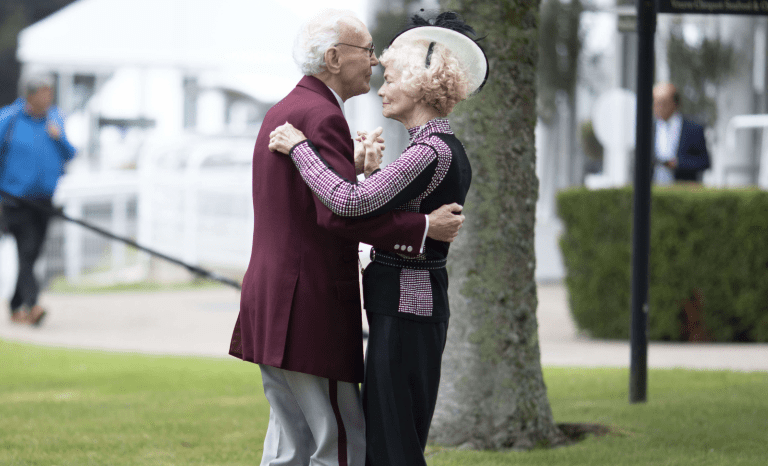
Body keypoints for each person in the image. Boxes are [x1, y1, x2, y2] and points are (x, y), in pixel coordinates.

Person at [227, 9, 465, 466]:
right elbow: (340, 211)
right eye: (369, 52)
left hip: (271, 298)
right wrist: (421, 227)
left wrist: (353, 166)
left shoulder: (286, 109)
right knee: (339, 442)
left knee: (288, 441)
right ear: (334, 58)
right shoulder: (321, 117)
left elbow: (311, 196)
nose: (376, 65)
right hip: (308, 302)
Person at [0, 74, 76, 326]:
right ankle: (33, 305)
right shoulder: (10, 119)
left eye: (50, 92)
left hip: (44, 199)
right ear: (30, 95)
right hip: (15, 200)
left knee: (32, 254)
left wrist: (58, 137)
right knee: (28, 248)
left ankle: (14, 305)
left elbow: (70, 153)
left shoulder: (55, 119)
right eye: (43, 92)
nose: (48, 97)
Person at [652, 82, 711, 185]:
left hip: (683, 188)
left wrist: (678, 164)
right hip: (654, 189)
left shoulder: (693, 128)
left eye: (663, 103)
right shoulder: (649, 128)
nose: (658, 107)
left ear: (675, 103)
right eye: (656, 103)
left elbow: (704, 162)